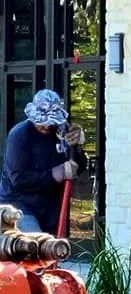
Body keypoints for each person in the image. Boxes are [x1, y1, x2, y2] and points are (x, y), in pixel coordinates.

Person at [0, 89, 85, 235]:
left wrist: (77, 148)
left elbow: (77, 166)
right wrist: (55, 174)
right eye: (43, 121)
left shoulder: (61, 130)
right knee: (36, 246)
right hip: (19, 206)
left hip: (50, 207)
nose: (47, 126)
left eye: (52, 122)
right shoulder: (20, 135)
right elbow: (18, 180)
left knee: (52, 252)